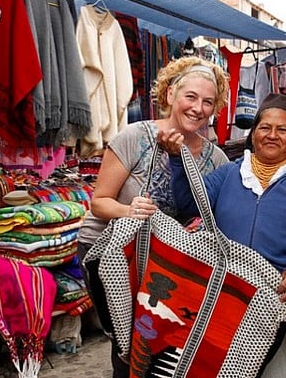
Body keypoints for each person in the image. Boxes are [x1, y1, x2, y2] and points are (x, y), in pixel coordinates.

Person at [156, 92, 286, 378]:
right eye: (265, 127)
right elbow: (191, 203)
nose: (272, 135)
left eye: (282, 130)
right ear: (253, 134)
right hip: (232, 296)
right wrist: (177, 161)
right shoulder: (230, 173)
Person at [77, 55, 230, 378]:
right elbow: (99, 203)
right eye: (191, 97)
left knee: (157, 340)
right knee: (127, 342)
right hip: (112, 252)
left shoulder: (215, 157)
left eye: (208, 102)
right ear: (171, 94)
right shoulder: (136, 137)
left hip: (165, 262)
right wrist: (129, 211)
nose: (198, 108)